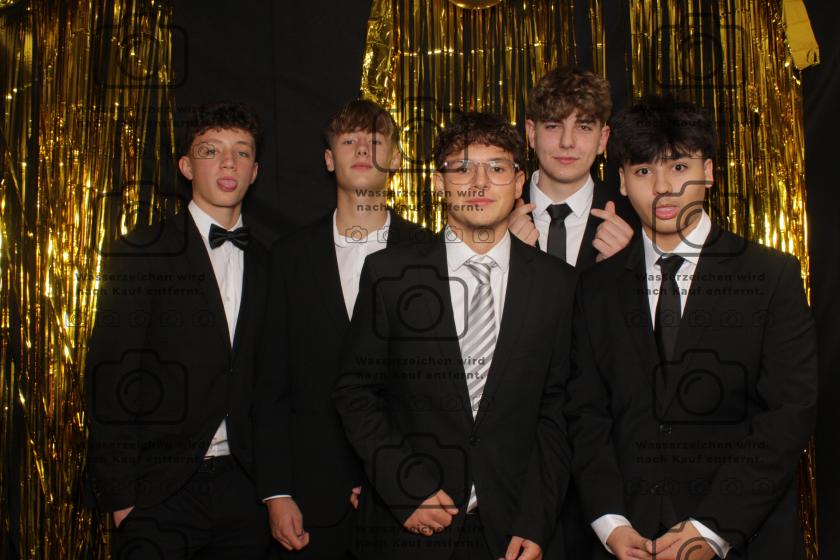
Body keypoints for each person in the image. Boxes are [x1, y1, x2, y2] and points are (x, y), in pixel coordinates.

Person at [565, 94, 818, 560]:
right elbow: (586, 414)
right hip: (627, 541)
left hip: (742, 538)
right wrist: (610, 522)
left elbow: (788, 414)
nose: (662, 188)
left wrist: (711, 530)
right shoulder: (595, 288)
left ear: (710, 172)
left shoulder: (770, 275)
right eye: (644, 170)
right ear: (622, 181)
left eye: (679, 167)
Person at [333, 111, 576, 560]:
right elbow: (356, 393)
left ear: (519, 182)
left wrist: (537, 520)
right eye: (462, 168)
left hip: (515, 531)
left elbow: (557, 411)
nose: (479, 182)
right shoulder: (390, 274)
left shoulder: (558, 284)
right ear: (438, 182)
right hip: (409, 528)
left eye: (496, 167)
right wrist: (403, 485)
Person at [85, 101, 272, 558]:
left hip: (246, 491)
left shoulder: (273, 263)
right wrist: (123, 500)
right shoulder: (141, 252)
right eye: (211, 150)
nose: (228, 162)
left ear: (254, 172)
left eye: (241, 152)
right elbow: (110, 377)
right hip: (159, 492)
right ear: (186, 167)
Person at [253, 98, 426, 559]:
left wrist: (398, 477)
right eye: (350, 141)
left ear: (396, 159)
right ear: (329, 159)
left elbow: (443, 392)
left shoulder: (433, 254)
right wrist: (276, 491)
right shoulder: (289, 257)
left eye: (376, 141)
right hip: (310, 500)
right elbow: (271, 384)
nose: (363, 150)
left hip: (406, 497)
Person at [509, 65, 637, 268]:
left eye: (583, 127)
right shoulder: (496, 216)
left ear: (602, 139)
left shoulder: (634, 220)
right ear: (532, 134)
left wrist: (621, 268)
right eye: (553, 126)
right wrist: (501, 257)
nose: (567, 142)